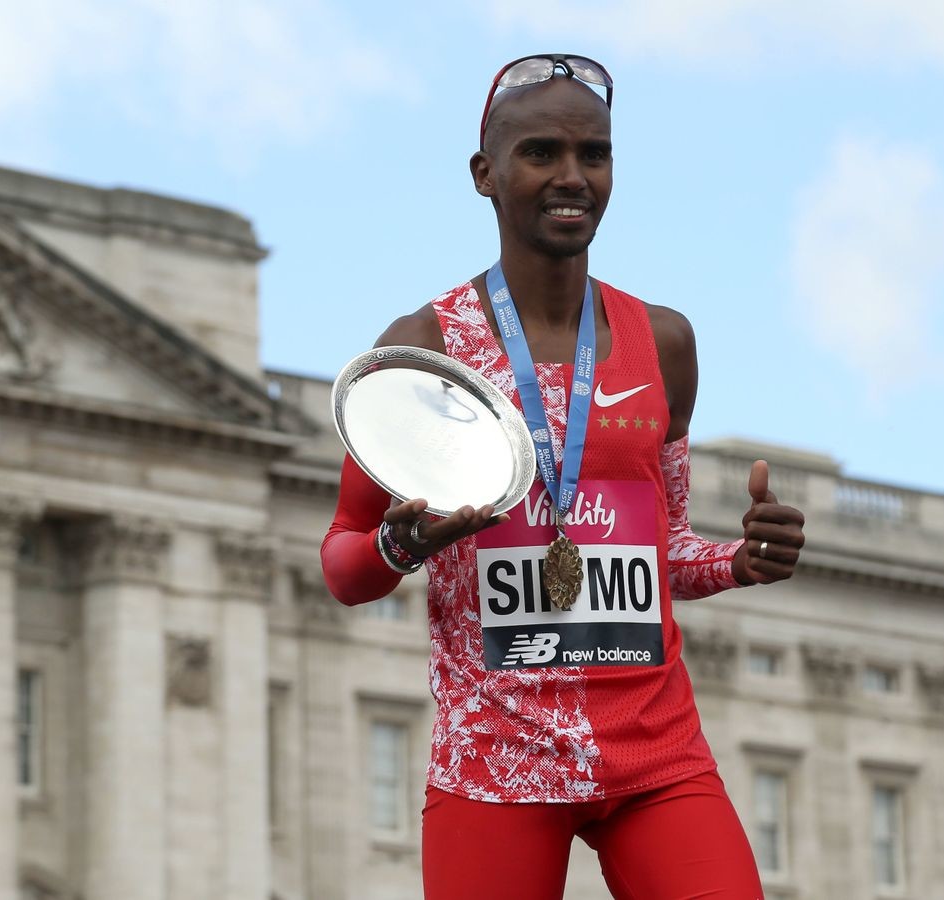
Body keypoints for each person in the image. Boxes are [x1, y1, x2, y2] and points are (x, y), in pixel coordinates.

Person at [322, 53, 807, 900]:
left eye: (595, 154)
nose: (572, 176)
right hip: (496, 764)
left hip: (656, 757)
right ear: (485, 174)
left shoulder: (663, 342)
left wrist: (739, 560)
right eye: (541, 152)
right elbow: (342, 563)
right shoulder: (423, 347)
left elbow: (667, 548)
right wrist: (402, 544)